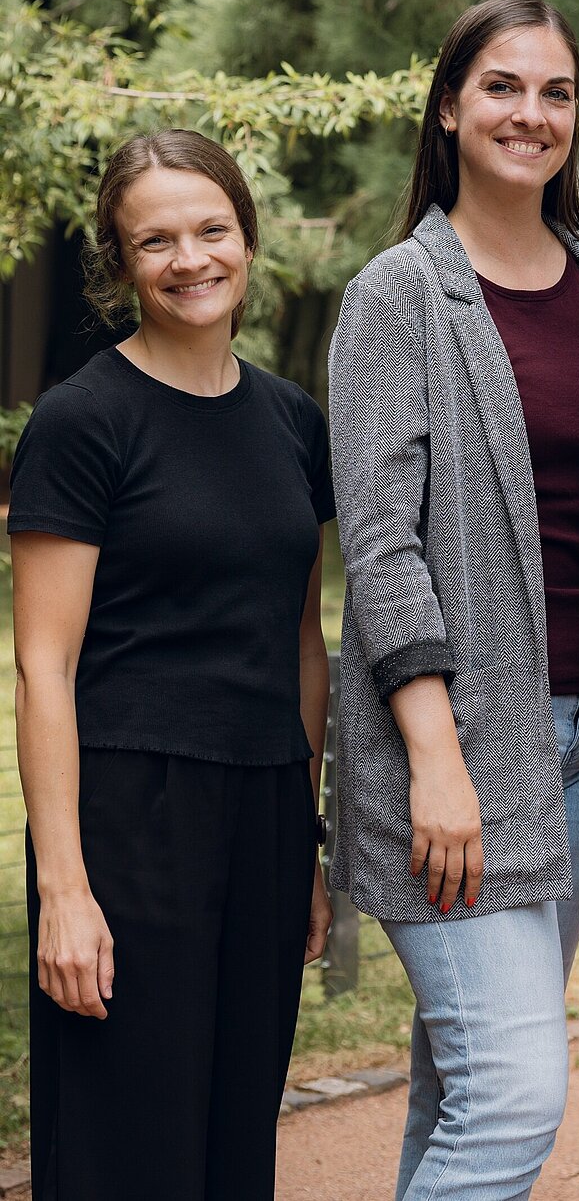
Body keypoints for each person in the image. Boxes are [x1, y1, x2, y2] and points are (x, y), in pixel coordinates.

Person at [326, 0, 579, 1197]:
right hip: (454, 748)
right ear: (451, 106)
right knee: (515, 1093)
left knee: (458, 1083)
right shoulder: (397, 294)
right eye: (504, 87)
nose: (532, 112)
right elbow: (377, 541)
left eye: (556, 91)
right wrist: (434, 755)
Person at [9, 131, 334, 1198]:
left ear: (247, 237)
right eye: (156, 240)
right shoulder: (81, 421)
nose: (190, 258)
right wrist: (64, 891)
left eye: (211, 230)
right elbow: (43, 668)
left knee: (237, 1138)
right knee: (127, 1144)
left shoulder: (292, 420)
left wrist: (311, 836)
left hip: (267, 814)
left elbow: (300, 643)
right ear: (120, 259)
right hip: (129, 814)